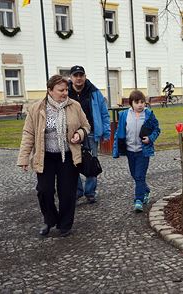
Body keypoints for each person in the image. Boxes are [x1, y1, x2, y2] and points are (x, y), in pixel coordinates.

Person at [17, 75, 91, 237]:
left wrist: (80, 133)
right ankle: (49, 220)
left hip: (68, 157)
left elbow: (86, 126)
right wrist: (23, 158)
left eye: (66, 90)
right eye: (61, 90)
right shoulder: (37, 108)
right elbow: (28, 133)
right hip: (46, 157)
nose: (65, 93)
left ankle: (65, 224)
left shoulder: (74, 106)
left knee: (67, 192)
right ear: (50, 91)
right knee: (44, 191)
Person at [68, 65, 110, 203]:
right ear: (71, 77)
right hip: (71, 133)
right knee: (72, 163)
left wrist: (106, 132)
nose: (79, 78)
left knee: (91, 162)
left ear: (85, 76)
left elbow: (104, 113)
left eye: (81, 75)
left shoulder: (94, 92)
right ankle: (77, 191)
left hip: (91, 132)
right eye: (76, 75)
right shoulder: (65, 92)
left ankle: (90, 192)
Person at [112, 90, 160, 212]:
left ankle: (138, 200)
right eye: (137, 102)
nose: (140, 105)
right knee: (135, 175)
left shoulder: (149, 114)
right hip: (129, 151)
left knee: (139, 175)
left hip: (143, 151)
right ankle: (146, 190)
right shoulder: (124, 115)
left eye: (142, 102)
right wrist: (116, 147)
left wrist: (150, 138)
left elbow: (156, 129)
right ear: (131, 103)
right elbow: (119, 132)